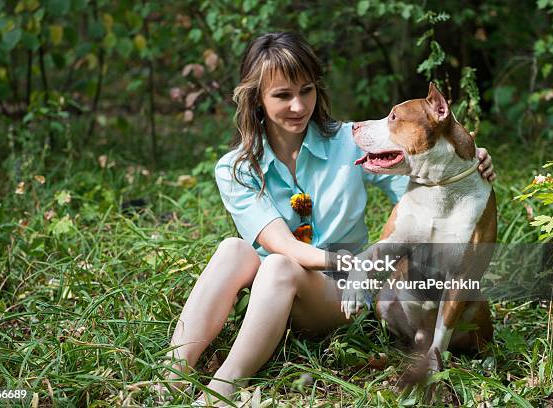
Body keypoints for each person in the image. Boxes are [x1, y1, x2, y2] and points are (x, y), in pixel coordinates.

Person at [163, 31, 496, 405]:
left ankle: (222, 388)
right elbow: (282, 245)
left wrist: (463, 162)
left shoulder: (349, 141)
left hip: (337, 296)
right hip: (268, 293)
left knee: (278, 268)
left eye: (306, 90)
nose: (298, 106)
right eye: (282, 95)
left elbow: (420, 195)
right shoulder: (236, 167)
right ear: (256, 97)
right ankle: (170, 376)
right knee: (234, 250)